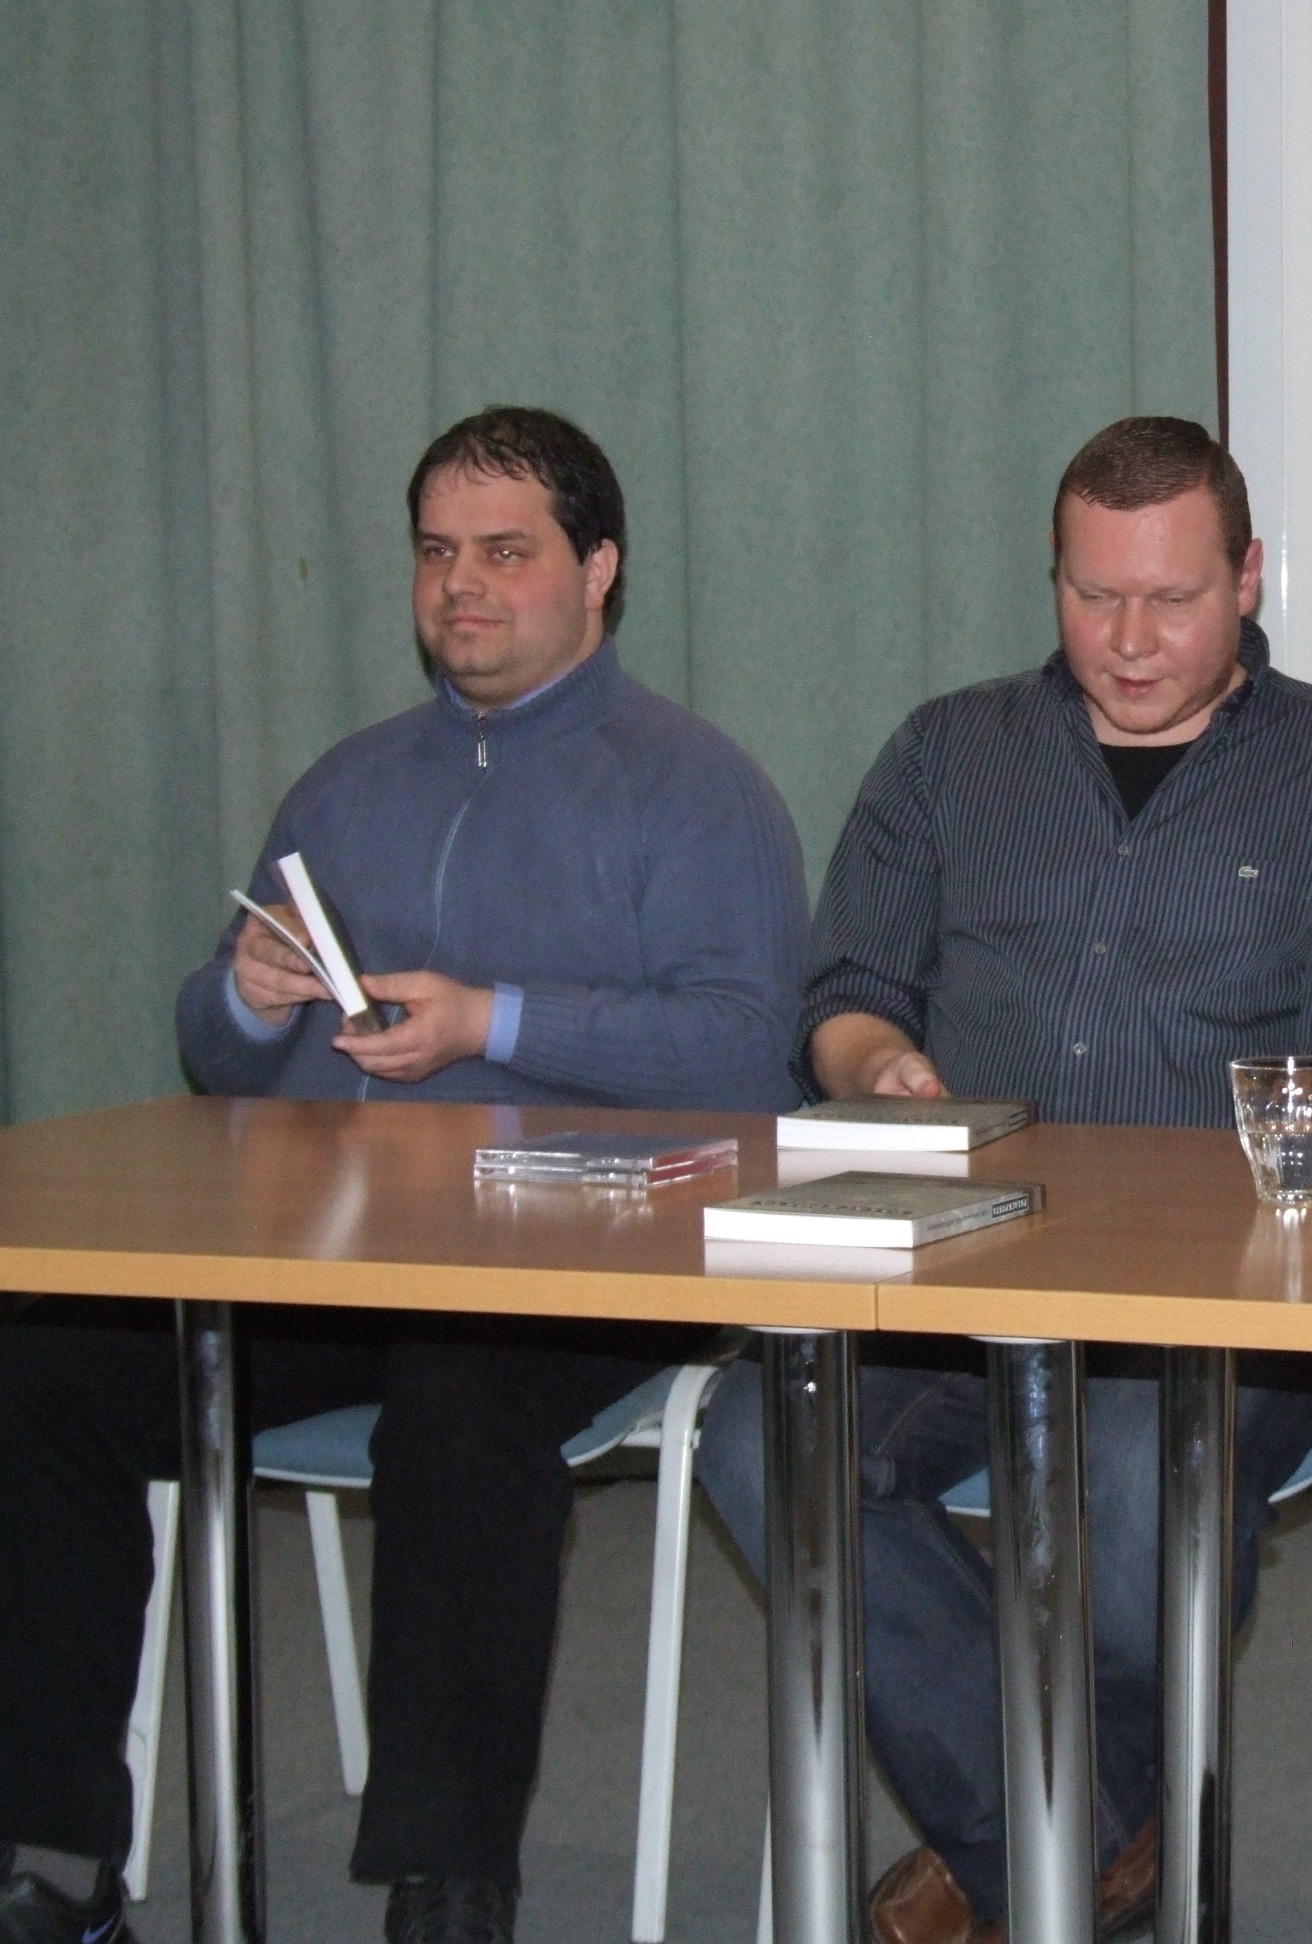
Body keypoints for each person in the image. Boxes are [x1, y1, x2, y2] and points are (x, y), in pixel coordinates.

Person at [0, 408, 808, 1944]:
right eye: (439, 553)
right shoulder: (347, 785)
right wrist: (249, 996)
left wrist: (492, 1023)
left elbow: (748, 1053)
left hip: (584, 1267)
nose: (462, 587)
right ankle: (50, 1854)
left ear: (601, 570)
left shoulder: (697, 789)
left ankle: (446, 1885)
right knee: (40, 1372)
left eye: (505, 552)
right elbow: (214, 1055)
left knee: (456, 1386)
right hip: (331, 1258)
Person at [694, 415, 1312, 1944]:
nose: (1128, 639)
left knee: (1126, 1477)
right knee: (764, 1442)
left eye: (1171, 599)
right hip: (962, 1249)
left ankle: (1044, 1843)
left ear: (1248, 579)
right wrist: (872, 1064)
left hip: (1236, 1289)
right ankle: (1082, 1833)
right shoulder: (948, 754)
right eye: (1093, 596)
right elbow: (846, 992)